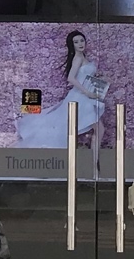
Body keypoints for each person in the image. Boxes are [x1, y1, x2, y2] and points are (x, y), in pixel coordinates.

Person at [14, 30, 109, 175]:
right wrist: (87, 92)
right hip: (81, 99)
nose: (80, 44)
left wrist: (96, 79)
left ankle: (94, 165)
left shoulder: (82, 57)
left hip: (85, 98)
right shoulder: (77, 58)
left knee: (97, 129)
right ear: (72, 45)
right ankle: (94, 166)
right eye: (76, 42)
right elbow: (71, 78)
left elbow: (81, 76)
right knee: (94, 129)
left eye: (82, 41)